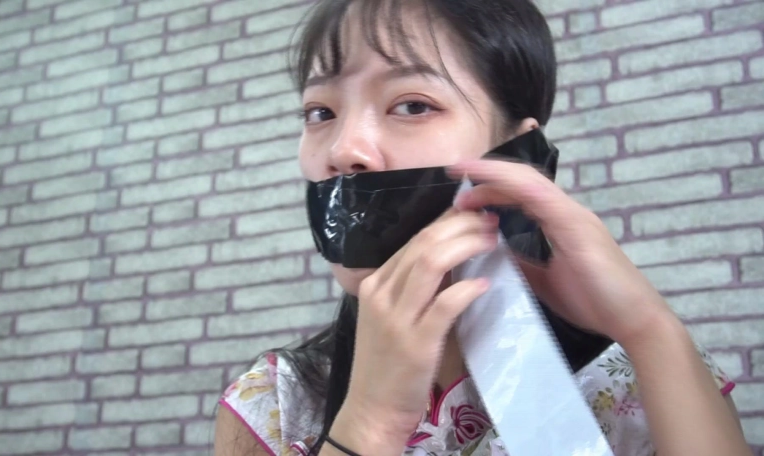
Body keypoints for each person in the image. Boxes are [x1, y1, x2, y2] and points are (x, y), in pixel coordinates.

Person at [215, 0, 749, 455]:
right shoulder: (275, 404)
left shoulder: (642, 373)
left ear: (519, 153)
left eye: (412, 104)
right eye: (319, 112)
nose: (342, 149)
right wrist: (368, 425)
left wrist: (650, 329)